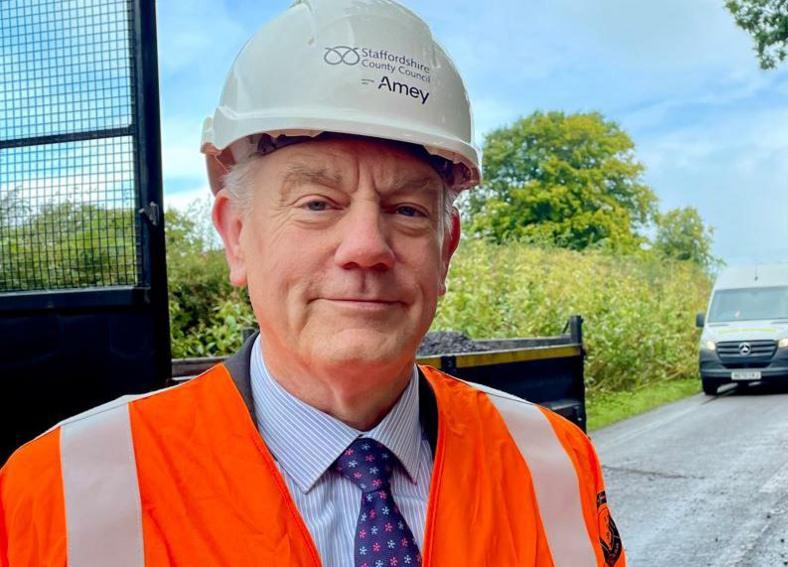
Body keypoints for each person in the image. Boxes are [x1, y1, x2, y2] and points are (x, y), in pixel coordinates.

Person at [0, 2, 626, 566]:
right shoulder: (59, 494)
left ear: (447, 249)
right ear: (237, 235)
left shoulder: (554, 464)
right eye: (317, 203)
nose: (365, 248)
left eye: (408, 210)